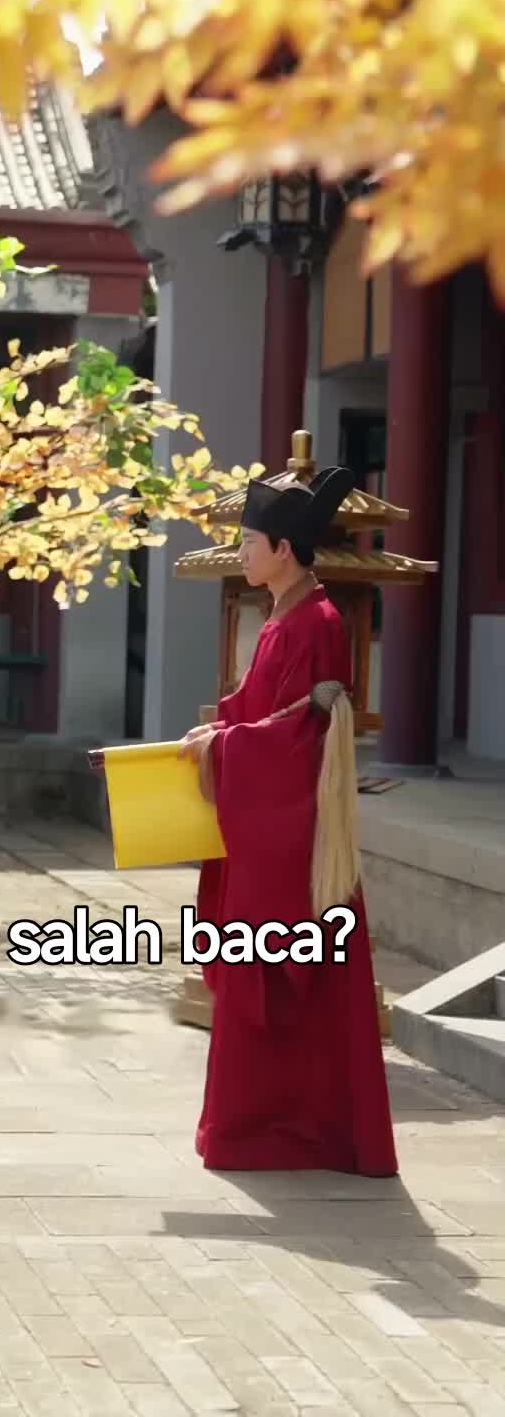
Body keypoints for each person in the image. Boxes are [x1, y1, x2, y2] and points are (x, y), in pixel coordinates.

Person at [178, 466, 398, 1178]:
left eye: (249, 541)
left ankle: (288, 1133)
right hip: (268, 828)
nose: (240, 552)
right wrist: (219, 730)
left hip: (294, 839)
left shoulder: (318, 622)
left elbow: (304, 737)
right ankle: (262, 1129)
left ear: (282, 549)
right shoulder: (284, 615)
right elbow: (261, 710)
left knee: (277, 973)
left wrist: (227, 746)